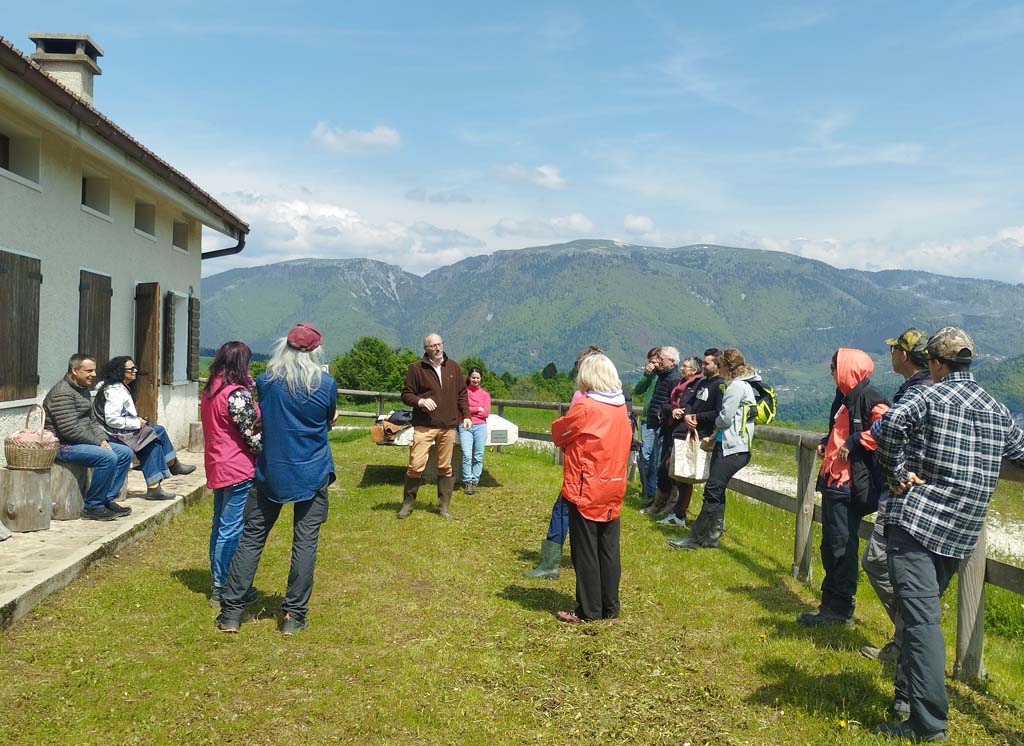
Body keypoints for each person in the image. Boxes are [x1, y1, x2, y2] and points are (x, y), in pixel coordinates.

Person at [873, 327, 1024, 742]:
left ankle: (928, 724)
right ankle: (905, 697)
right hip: (960, 533)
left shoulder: (928, 396)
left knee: (920, 621)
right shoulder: (996, 409)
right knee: (919, 616)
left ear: (937, 363)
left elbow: (889, 427)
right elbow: (1021, 451)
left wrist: (897, 472)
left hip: (917, 524)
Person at [216, 322, 337, 635]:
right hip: (312, 470)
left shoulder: (266, 381)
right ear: (315, 352)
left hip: (271, 471)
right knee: (305, 542)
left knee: (252, 537)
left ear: (284, 347)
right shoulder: (326, 384)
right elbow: (327, 421)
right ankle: (293, 616)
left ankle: (231, 612)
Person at [797, 348, 889, 626]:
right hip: (835, 480)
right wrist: (830, 440)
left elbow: (886, 427)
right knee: (831, 545)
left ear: (848, 368)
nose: (831, 371)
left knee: (841, 546)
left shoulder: (869, 396)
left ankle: (839, 609)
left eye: (835, 366)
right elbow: (841, 431)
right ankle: (830, 604)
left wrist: (854, 442)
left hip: (849, 484)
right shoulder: (845, 397)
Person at [859, 328, 931, 661]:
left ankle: (911, 639)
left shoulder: (917, 393)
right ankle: (908, 639)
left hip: (903, 489)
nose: (890, 355)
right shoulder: (919, 388)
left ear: (904, 355)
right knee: (886, 564)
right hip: (910, 488)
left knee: (878, 561)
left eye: (893, 350)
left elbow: (884, 428)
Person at [553, 354, 632, 623]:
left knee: (585, 550)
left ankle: (589, 610)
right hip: (614, 484)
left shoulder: (586, 407)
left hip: (587, 486)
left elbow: (559, 433)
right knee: (609, 549)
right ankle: (610, 607)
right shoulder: (621, 408)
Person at [523, 345, 604, 579]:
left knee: (562, 510)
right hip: (605, 470)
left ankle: (550, 564)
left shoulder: (582, 397)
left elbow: (568, 430)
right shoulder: (616, 398)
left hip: (581, 468)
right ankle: (597, 560)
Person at [668, 348, 757, 550]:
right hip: (736, 445)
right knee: (717, 491)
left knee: (712, 490)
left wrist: (711, 423)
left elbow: (725, 418)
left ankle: (695, 537)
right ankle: (712, 537)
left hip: (731, 446)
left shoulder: (735, 387)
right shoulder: (745, 384)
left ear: (725, 366)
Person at [200, 341, 262, 605]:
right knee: (231, 529)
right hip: (237, 466)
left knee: (219, 526)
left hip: (216, 463)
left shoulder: (210, 390)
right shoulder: (236, 394)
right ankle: (224, 587)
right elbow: (251, 433)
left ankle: (218, 581)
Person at [43, 353, 133, 521]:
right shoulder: (62, 393)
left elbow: (91, 421)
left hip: (79, 442)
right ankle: (93, 506)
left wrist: (103, 439)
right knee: (108, 457)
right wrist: (98, 442)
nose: (93, 374)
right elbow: (69, 429)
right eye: (89, 371)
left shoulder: (81, 389)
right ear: (74, 371)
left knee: (124, 453)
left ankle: (106, 499)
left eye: (94, 370)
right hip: (63, 446)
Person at [94, 356, 196, 501]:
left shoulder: (119, 387)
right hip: (113, 434)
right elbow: (111, 419)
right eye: (131, 369)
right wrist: (137, 423)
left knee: (155, 432)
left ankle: (166, 473)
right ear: (120, 371)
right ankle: (168, 470)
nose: (135, 371)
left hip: (119, 431)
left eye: (135, 368)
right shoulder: (115, 391)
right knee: (152, 439)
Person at [398, 333, 471, 519]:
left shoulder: (454, 367)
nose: (438, 348)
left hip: (448, 425)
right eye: (433, 346)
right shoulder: (416, 368)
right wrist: (420, 401)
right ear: (426, 348)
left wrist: (467, 415)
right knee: (415, 465)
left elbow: (462, 394)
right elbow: (406, 394)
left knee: (445, 467)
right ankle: (407, 505)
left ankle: (443, 506)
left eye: (439, 344)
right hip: (424, 426)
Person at [660, 349, 723, 528]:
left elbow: (718, 413)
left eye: (707, 363)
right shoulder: (703, 383)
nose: (704, 366)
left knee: (686, 474)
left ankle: (680, 513)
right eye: (703, 362)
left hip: (700, 434)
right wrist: (688, 414)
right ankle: (678, 511)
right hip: (686, 429)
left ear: (717, 365)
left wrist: (697, 419)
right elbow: (689, 402)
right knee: (674, 469)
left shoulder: (719, 386)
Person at [649, 356, 702, 523]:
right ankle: (659, 504)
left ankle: (673, 507)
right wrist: (673, 409)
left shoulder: (697, 386)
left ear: (694, 370)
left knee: (674, 470)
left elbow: (696, 407)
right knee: (664, 468)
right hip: (670, 429)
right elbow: (665, 403)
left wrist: (684, 413)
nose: (682, 369)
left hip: (683, 432)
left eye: (686, 367)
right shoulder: (677, 384)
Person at [640, 346, 681, 514]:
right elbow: (640, 389)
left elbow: (671, 402)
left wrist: (662, 415)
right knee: (656, 463)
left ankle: (663, 503)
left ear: (671, 361)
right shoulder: (663, 376)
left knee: (662, 465)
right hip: (656, 422)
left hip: (663, 425)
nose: (658, 362)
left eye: (661, 359)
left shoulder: (674, 379)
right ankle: (656, 499)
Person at [633, 347, 661, 501]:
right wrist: (646, 375)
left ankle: (653, 491)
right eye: (650, 361)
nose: (652, 364)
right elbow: (638, 390)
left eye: (654, 361)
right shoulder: (650, 376)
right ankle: (647, 489)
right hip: (646, 420)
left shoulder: (665, 376)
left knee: (656, 458)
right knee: (645, 455)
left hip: (659, 421)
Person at [457, 366, 491, 494]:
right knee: (466, 454)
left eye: (477, 377)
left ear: (480, 378)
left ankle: (475, 480)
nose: (475, 380)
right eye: (473, 377)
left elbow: (486, 413)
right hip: (465, 425)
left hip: (480, 427)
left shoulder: (485, 395)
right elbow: (461, 408)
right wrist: (478, 409)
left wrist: (471, 409)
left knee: (478, 455)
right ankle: (467, 481)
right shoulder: (464, 392)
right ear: (469, 378)